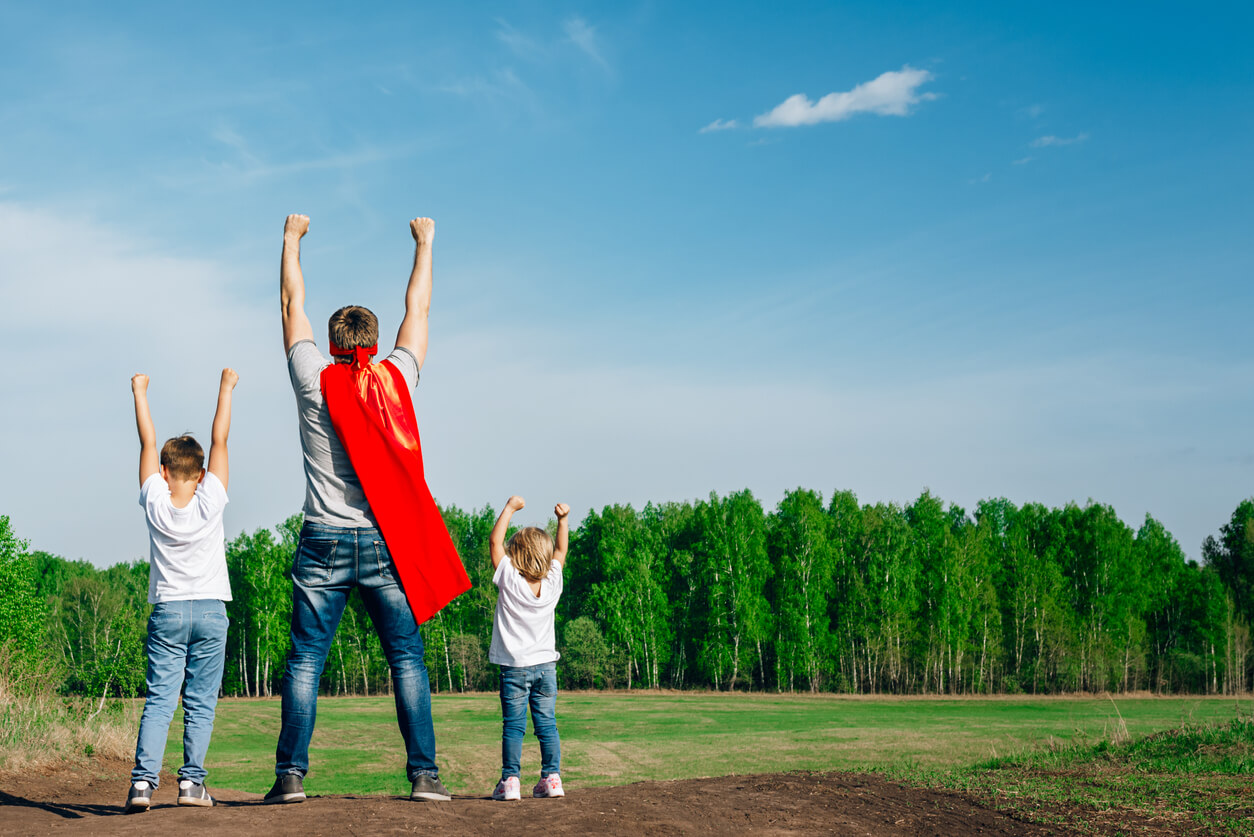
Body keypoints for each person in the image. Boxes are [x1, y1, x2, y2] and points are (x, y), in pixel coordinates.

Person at [268, 214, 469, 805]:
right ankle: (425, 777)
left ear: (331, 344)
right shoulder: (396, 380)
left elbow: (289, 303)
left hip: (323, 539)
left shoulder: (313, 380)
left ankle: (290, 778)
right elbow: (420, 313)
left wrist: (291, 240)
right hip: (384, 542)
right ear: (375, 344)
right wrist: (426, 244)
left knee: (306, 658)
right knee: (406, 659)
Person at [125, 369, 237, 813]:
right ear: (204, 473)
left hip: (168, 611)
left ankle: (141, 786)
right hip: (210, 612)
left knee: (160, 699)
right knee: (200, 702)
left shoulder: (154, 498)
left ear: (164, 471)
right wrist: (225, 389)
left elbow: (146, 444)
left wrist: (139, 391)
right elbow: (221, 441)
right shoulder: (212, 500)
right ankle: (191, 785)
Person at [487, 496, 570, 801]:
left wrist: (509, 509)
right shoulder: (552, 583)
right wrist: (562, 520)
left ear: (516, 556)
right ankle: (551, 778)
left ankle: (510, 782)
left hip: (514, 669)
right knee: (547, 724)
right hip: (547, 667)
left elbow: (495, 544)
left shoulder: (509, 578)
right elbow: (561, 550)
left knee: (514, 726)